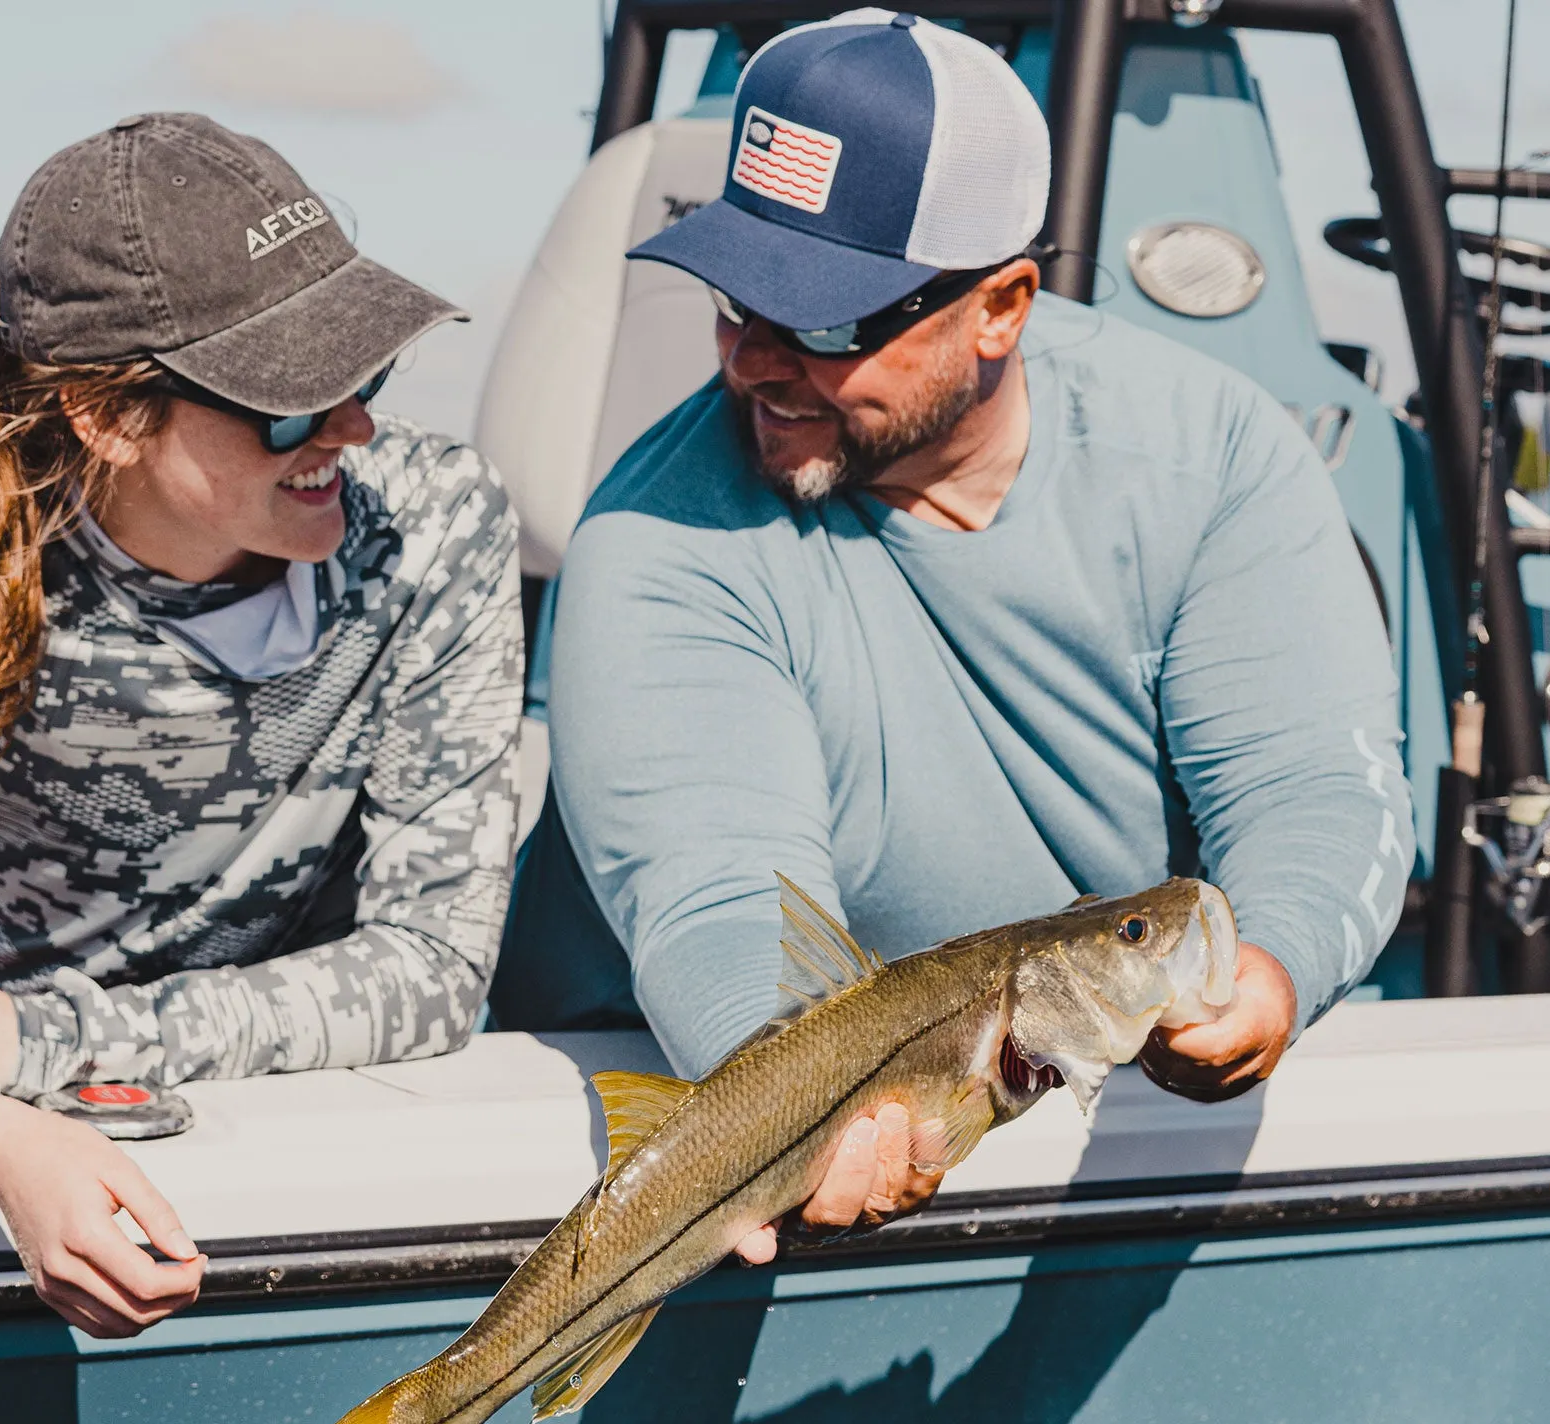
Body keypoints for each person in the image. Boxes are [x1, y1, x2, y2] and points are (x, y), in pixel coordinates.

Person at [523, 9, 1412, 1262]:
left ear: (999, 305)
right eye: (734, 302)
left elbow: (1316, 780)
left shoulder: (1210, 454)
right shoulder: (653, 536)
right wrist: (798, 1114)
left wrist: (1272, 966)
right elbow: (716, 895)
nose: (753, 364)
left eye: (825, 323)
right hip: (735, 1187)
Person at [0, 114, 524, 1337]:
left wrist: (38, 1039)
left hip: (270, 1130)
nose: (351, 428)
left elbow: (436, 969)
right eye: (290, 404)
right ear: (103, 412)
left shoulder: (436, 522)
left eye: (365, 373)